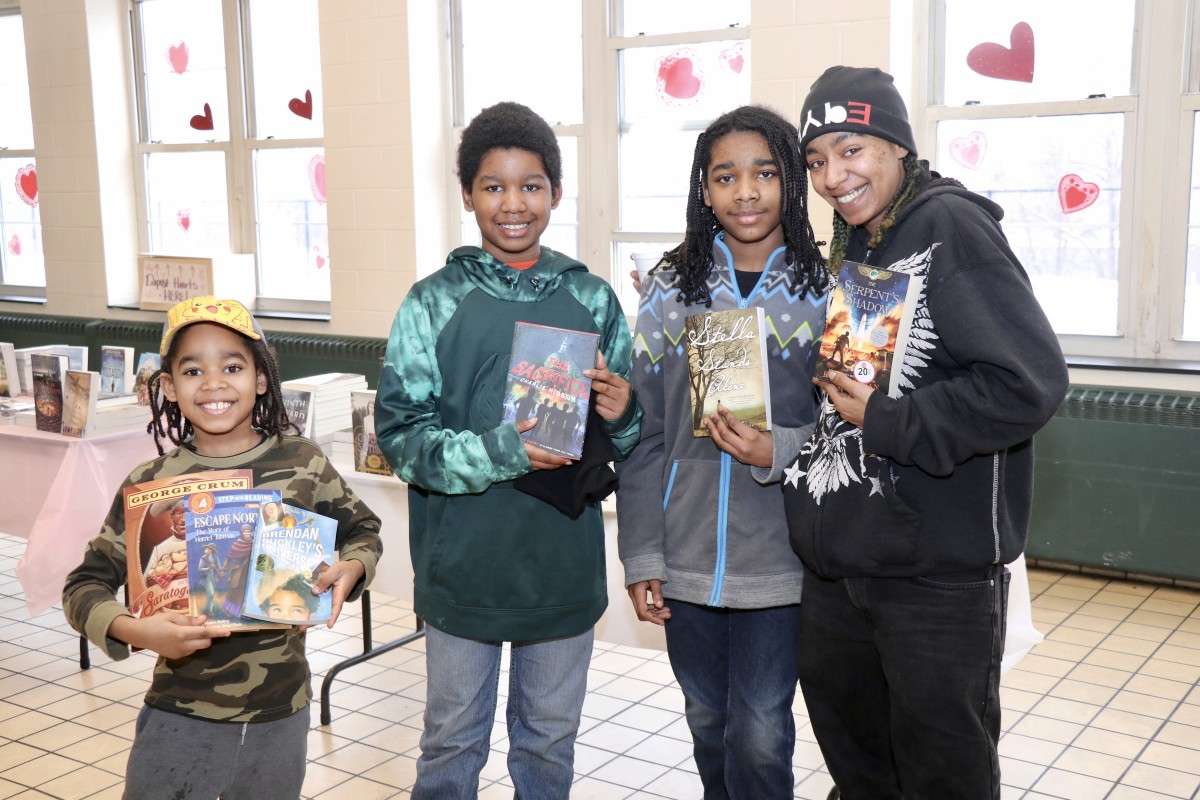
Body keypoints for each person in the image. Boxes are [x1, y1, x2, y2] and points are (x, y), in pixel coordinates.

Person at [785, 66, 1070, 799]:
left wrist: (884, 420)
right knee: (861, 773)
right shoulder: (858, 244)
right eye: (817, 161)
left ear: (897, 147)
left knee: (944, 778)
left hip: (932, 583)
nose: (831, 176)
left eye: (851, 150)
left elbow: (1027, 383)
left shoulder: (949, 227)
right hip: (843, 569)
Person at [373, 100, 641, 799]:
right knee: (451, 747)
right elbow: (401, 440)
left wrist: (628, 411)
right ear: (467, 195)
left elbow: (630, 440)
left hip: (560, 571)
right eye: (493, 186)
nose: (513, 204)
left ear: (555, 191)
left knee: (549, 748)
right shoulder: (431, 302)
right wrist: (504, 452)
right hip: (463, 572)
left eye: (531, 186)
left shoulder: (591, 298)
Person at [62, 295, 383, 800]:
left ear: (260, 378)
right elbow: (84, 585)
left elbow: (363, 531)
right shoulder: (151, 484)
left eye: (232, 366)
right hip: (179, 714)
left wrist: (352, 568)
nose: (213, 383)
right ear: (167, 387)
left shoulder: (303, 462)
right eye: (192, 371)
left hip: (282, 712)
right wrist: (135, 630)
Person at [615, 105, 827, 798]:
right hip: (685, 559)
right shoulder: (672, 289)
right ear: (703, 189)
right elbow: (645, 432)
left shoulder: (826, 291)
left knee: (762, 730)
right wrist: (643, 552)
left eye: (765, 173)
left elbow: (849, 435)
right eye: (725, 175)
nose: (746, 191)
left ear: (791, 183)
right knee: (708, 721)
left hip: (782, 560)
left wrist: (778, 446)